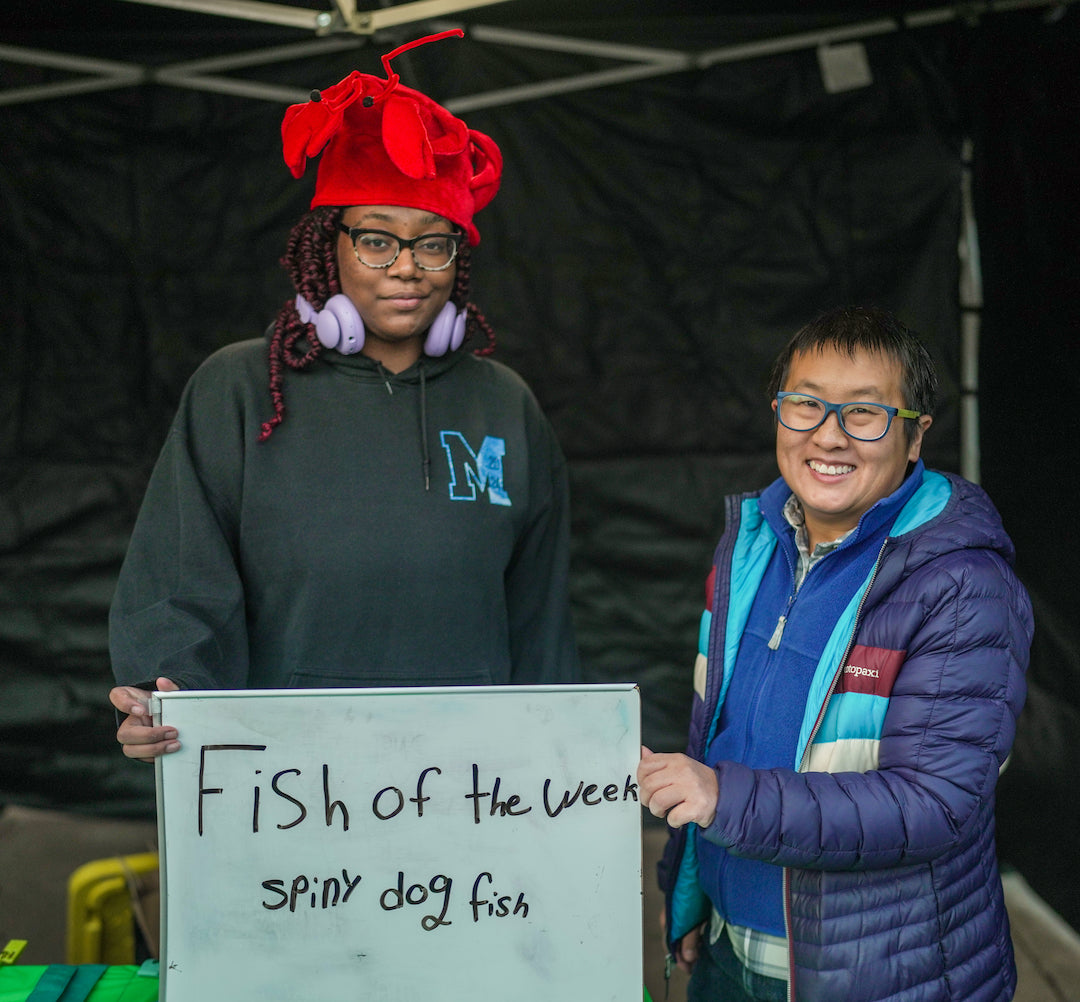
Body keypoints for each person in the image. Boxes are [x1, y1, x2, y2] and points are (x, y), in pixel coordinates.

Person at [109, 30, 579, 762]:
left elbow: (541, 617)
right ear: (327, 247)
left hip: (471, 779)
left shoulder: (506, 404)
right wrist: (162, 699)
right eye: (377, 240)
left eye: (434, 243)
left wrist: (554, 757)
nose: (408, 268)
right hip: (287, 776)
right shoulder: (236, 388)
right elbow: (179, 580)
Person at [638, 305, 1032, 1002]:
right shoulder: (752, 545)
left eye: (865, 414)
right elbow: (717, 735)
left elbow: (933, 802)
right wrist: (693, 894)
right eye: (805, 405)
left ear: (915, 438)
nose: (829, 435)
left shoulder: (962, 586)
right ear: (778, 413)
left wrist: (722, 798)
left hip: (874, 976)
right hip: (730, 951)